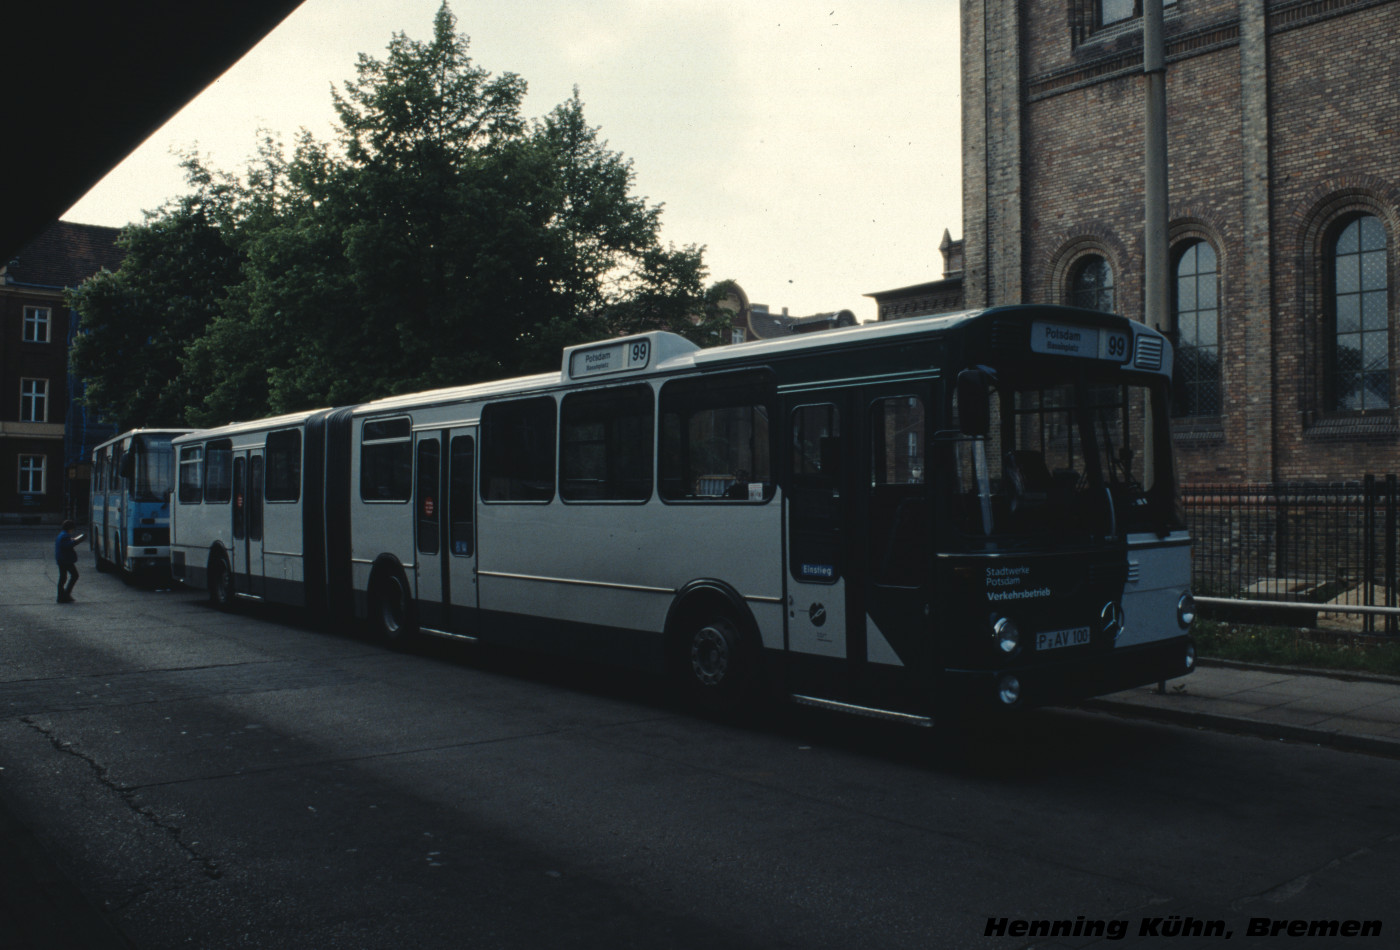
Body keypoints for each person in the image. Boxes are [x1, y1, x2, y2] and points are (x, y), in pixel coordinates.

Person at [54, 520, 83, 603]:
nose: (73, 531)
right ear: (70, 528)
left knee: (63, 577)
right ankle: (65, 595)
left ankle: (62, 596)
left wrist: (72, 540)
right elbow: (67, 545)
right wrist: (76, 541)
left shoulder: (62, 534)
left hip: (61, 559)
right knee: (74, 575)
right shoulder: (64, 536)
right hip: (66, 560)